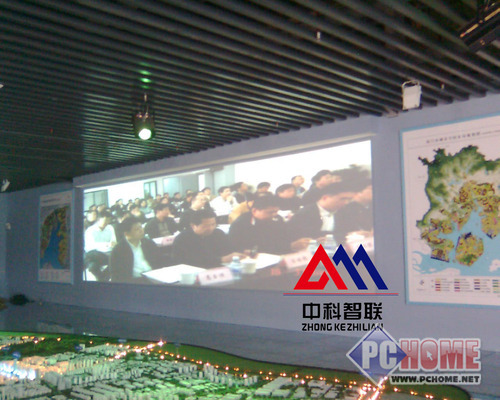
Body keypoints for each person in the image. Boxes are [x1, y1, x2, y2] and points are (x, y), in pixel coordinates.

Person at [229, 195, 304, 254]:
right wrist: (288, 246)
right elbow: (248, 248)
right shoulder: (240, 225)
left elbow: (285, 237)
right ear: (254, 211)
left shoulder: (277, 219)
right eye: (270, 212)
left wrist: (296, 243)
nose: (274, 214)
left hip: (279, 255)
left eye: (276, 211)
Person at [287, 181, 357, 245]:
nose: (346, 202)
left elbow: (348, 231)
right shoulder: (305, 214)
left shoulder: (344, 212)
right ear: (325, 198)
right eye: (343, 199)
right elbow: (298, 237)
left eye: (349, 200)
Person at [172, 209, 244, 268]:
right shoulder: (183, 239)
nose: (211, 228)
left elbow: (229, 250)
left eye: (213, 224)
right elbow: (190, 261)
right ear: (193, 225)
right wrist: (221, 260)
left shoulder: (218, 233)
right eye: (206, 226)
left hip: (221, 269)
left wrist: (239, 253)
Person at [109, 216, 163, 283]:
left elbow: (160, 261)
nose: (141, 230)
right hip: (134, 281)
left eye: (141, 227)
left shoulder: (148, 243)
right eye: (137, 229)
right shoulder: (119, 250)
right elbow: (116, 275)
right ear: (126, 233)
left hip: (154, 277)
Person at [84, 211, 117, 281]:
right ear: (98, 219)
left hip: (108, 252)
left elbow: (114, 241)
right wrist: (106, 244)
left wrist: (113, 243)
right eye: (105, 221)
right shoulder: (90, 230)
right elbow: (91, 246)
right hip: (95, 253)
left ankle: (102, 279)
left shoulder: (110, 227)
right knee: (93, 264)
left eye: (108, 220)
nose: (107, 223)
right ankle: (103, 279)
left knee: (92, 264)